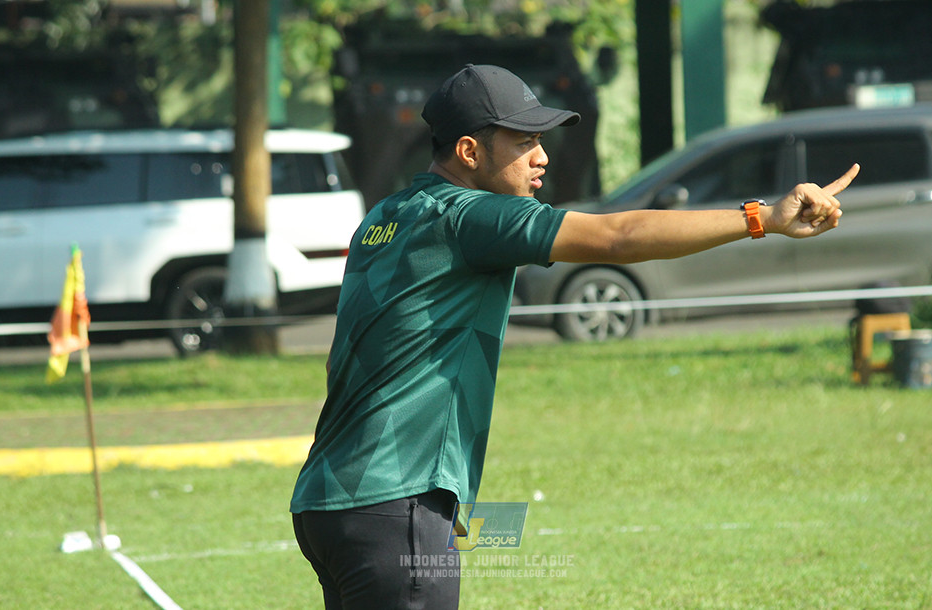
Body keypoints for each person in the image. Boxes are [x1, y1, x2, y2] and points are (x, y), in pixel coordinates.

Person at [290, 63, 859, 609]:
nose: (541, 157)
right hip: (396, 501)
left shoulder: (386, 216)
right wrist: (762, 218)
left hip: (328, 497)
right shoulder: (472, 216)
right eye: (523, 142)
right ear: (468, 152)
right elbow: (617, 236)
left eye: (541, 140)